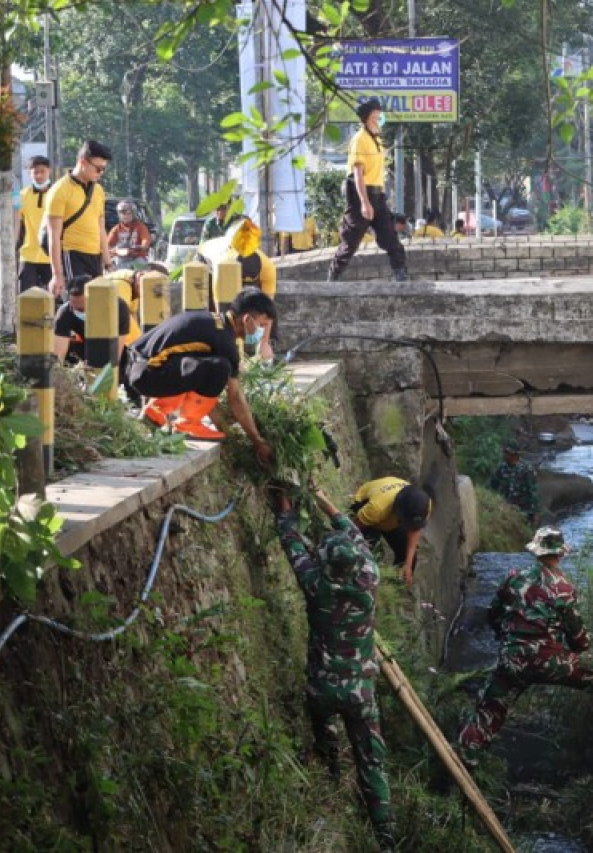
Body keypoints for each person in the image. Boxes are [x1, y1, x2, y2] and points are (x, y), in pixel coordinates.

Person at [457, 527, 593, 763]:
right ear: (561, 554)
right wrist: (577, 657)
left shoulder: (514, 577)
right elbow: (579, 639)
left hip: (511, 659)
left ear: (536, 551)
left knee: (489, 708)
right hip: (550, 661)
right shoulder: (564, 588)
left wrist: (507, 640)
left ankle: (464, 760)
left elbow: (493, 614)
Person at [270, 485, 395, 851]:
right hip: (360, 691)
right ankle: (384, 836)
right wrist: (326, 501)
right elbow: (354, 534)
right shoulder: (368, 577)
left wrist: (285, 508)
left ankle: (331, 778)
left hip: (322, 689)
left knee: (324, 731)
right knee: (372, 759)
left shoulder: (315, 583)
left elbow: (289, 539)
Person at [120, 290, 275, 457]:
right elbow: (235, 397)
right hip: (146, 375)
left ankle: (156, 412)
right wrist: (257, 440)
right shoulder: (225, 343)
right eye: (263, 325)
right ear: (247, 320)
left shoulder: (212, 322)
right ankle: (188, 424)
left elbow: (200, 384)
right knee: (220, 367)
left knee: (204, 365)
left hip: (134, 366)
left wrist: (225, 425)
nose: (263, 332)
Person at [328, 99, 409, 283]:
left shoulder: (377, 140)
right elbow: (357, 173)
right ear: (366, 119)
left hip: (378, 195)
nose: (378, 120)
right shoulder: (360, 140)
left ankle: (401, 275)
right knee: (351, 241)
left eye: (379, 117)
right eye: (374, 117)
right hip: (360, 195)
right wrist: (364, 202)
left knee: (390, 236)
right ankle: (333, 278)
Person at [46, 140, 112, 299]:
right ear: (83, 162)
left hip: (95, 256)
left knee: (98, 304)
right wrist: (57, 274)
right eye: (98, 168)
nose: (100, 173)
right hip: (72, 254)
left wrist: (108, 261)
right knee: (80, 304)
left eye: (103, 169)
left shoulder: (98, 191)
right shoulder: (60, 190)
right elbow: (53, 235)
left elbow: (101, 227)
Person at [350, 476, 432, 585]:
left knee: (409, 560)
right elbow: (352, 528)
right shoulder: (377, 507)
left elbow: (414, 530)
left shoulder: (424, 505)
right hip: (367, 515)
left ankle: (392, 587)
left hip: (392, 520)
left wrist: (407, 565)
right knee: (365, 554)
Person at [52, 275, 137, 364]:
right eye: (74, 307)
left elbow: (115, 357)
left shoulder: (118, 308)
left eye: (82, 309)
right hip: (89, 346)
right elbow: (58, 357)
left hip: (125, 346)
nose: (77, 311)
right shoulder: (65, 312)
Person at [16, 155, 54, 292]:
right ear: (29, 173)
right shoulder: (22, 195)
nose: (39, 176)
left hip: (51, 255)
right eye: (35, 172)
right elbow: (16, 222)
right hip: (28, 254)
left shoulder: (57, 194)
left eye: (42, 171)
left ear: (49, 171)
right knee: (26, 296)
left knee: (54, 298)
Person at [489, 440, 540, 526]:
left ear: (514, 454)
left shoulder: (526, 469)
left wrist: (536, 514)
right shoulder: (502, 468)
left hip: (524, 512)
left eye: (507, 452)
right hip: (507, 509)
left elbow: (533, 493)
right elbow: (492, 485)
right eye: (505, 452)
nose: (504, 455)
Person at [107, 200, 151, 267]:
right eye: (123, 213)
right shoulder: (116, 229)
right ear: (119, 214)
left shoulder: (140, 226)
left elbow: (146, 239)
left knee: (141, 271)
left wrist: (142, 246)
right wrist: (111, 250)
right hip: (121, 258)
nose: (126, 216)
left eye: (129, 213)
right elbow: (108, 244)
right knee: (115, 272)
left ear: (133, 214)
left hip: (137, 257)